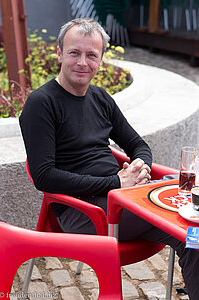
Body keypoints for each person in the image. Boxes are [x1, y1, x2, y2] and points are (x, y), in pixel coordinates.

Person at [19, 18, 199, 299]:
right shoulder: (41, 104)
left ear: (101, 59)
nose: (82, 62)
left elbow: (137, 143)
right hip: (83, 211)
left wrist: (139, 165)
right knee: (186, 220)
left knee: (193, 236)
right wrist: (114, 182)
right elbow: (44, 176)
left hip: (122, 199)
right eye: (74, 53)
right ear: (59, 53)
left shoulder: (101, 98)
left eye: (91, 55)